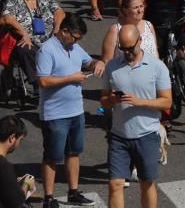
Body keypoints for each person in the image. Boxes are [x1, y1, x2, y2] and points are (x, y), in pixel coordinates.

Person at [35, 13, 104, 208]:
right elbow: (43, 81)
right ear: (64, 31)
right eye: (75, 37)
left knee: (74, 152)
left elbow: (87, 61)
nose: (76, 41)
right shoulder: (47, 50)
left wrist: (96, 63)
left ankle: (73, 192)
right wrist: (71, 79)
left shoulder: (73, 47)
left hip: (76, 111)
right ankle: (48, 198)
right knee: (52, 156)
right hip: (55, 114)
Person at [101, 23, 171, 208]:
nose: (127, 52)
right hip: (119, 136)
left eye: (130, 48)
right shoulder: (112, 67)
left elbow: (166, 102)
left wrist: (141, 102)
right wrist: (111, 100)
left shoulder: (157, 67)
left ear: (140, 41)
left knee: (147, 183)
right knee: (115, 184)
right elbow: (103, 100)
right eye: (122, 48)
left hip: (147, 136)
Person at [0, 115, 29, 208]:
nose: (19, 144)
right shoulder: (3, 167)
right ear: (12, 138)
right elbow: (16, 202)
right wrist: (26, 185)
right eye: (20, 140)